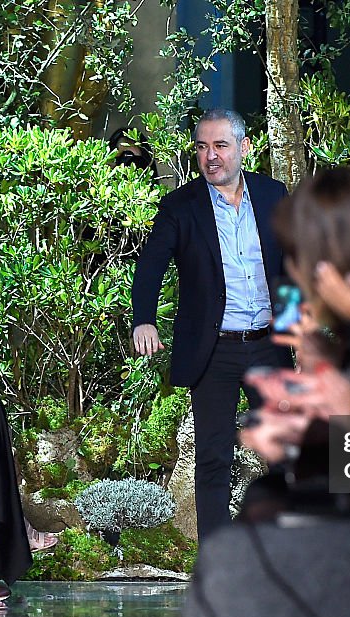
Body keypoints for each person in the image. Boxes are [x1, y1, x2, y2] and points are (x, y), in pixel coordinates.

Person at [131, 108, 292, 541]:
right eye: (202, 147)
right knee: (214, 458)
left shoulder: (273, 195)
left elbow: (295, 267)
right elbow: (149, 268)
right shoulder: (180, 206)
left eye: (220, 145)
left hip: (268, 344)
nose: (211, 156)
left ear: (244, 147)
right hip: (214, 349)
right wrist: (143, 320)